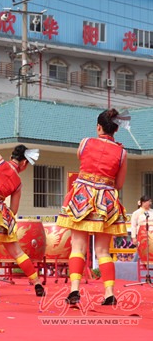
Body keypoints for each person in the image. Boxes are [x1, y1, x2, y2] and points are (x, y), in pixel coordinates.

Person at [57, 109, 128, 306]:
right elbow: (119, 184)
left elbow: (83, 160)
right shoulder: (122, 152)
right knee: (103, 250)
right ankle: (109, 293)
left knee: (78, 246)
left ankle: (74, 290)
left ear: (98, 127)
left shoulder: (85, 142)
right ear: (116, 129)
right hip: (106, 199)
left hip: (82, 197)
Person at [0, 143, 45, 297]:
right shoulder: (18, 183)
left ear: (11, 157)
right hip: (0, 215)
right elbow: (14, 210)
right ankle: (37, 283)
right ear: (23, 163)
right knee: (16, 252)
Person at [130, 195, 153, 260]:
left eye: (150, 202)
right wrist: (134, 237)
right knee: (141, 250)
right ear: (143, 202)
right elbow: (133, 225)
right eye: (149, 202)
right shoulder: (136, 213)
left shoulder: (152, 212)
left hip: (152, 234)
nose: (150, 203)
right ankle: (133, 264)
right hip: (142, 235)